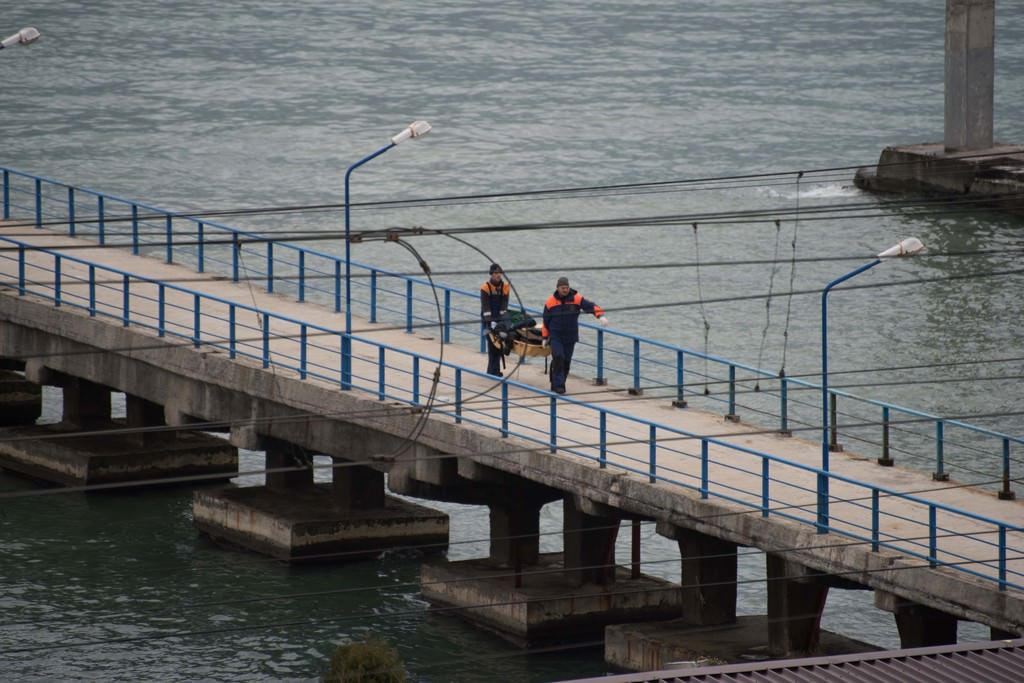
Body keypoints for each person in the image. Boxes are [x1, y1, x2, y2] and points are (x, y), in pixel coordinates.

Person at [541, 276, 608, 394]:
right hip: (556, 335)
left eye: (567, 287)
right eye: (563, 288)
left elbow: (591, 306)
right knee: (558, 357)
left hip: (570, 336)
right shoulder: (550, 302)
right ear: (557, 288)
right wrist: (545, 337)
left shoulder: (576, 299)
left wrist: (600, 316)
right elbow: (545, 322)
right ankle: (559, 386)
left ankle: (558, 382)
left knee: (566, 361)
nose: (565, 290)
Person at [480, 263, 510, 377]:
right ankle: (493, 371)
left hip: (499, 319)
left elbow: (504, 305)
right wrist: (490, 323)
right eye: (496, 273)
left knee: (499, 344)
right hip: (488, 320)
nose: (498, 275)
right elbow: (485, 306)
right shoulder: (485, 287)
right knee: (492, 345)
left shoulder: (505, 287)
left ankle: (493, 370)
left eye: (500, 273)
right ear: (491, 274)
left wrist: (501, 321)